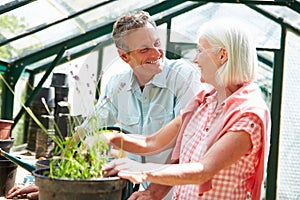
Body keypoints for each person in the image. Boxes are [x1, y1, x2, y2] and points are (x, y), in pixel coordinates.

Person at [6, 11, 201, 200]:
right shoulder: (118, 84)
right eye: (144, 49)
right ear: (125, 56)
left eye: (157, 43)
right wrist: (52, 182)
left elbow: (186, 146)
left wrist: (154, 193)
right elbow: (87, 130)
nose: (157, 52)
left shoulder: (183, 77)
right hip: (139, 189)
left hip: (178, 190)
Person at [101, 19, 271, 200]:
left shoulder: (248, 114)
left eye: (200, 51)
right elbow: (153, 143)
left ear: (222, 55)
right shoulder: (203, 104)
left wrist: (142, 171)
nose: (196, 59)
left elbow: (203, 170)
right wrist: (108, 138)